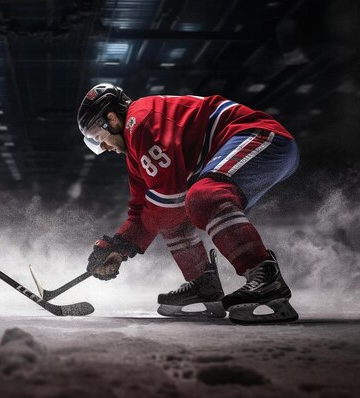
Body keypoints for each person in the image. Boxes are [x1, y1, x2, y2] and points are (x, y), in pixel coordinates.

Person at [77, 83, 299, 324]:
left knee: (201, 199)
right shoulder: (135, 151)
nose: (104, 147)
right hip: (242, 146)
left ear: (112, 119)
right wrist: (115, 247)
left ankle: (266, 277)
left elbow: (167, 201)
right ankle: (203, 283)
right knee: (177, 210)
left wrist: (122, 245)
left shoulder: (139, 123)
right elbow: (143, 210)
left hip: (261, 136)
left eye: (98, 137)